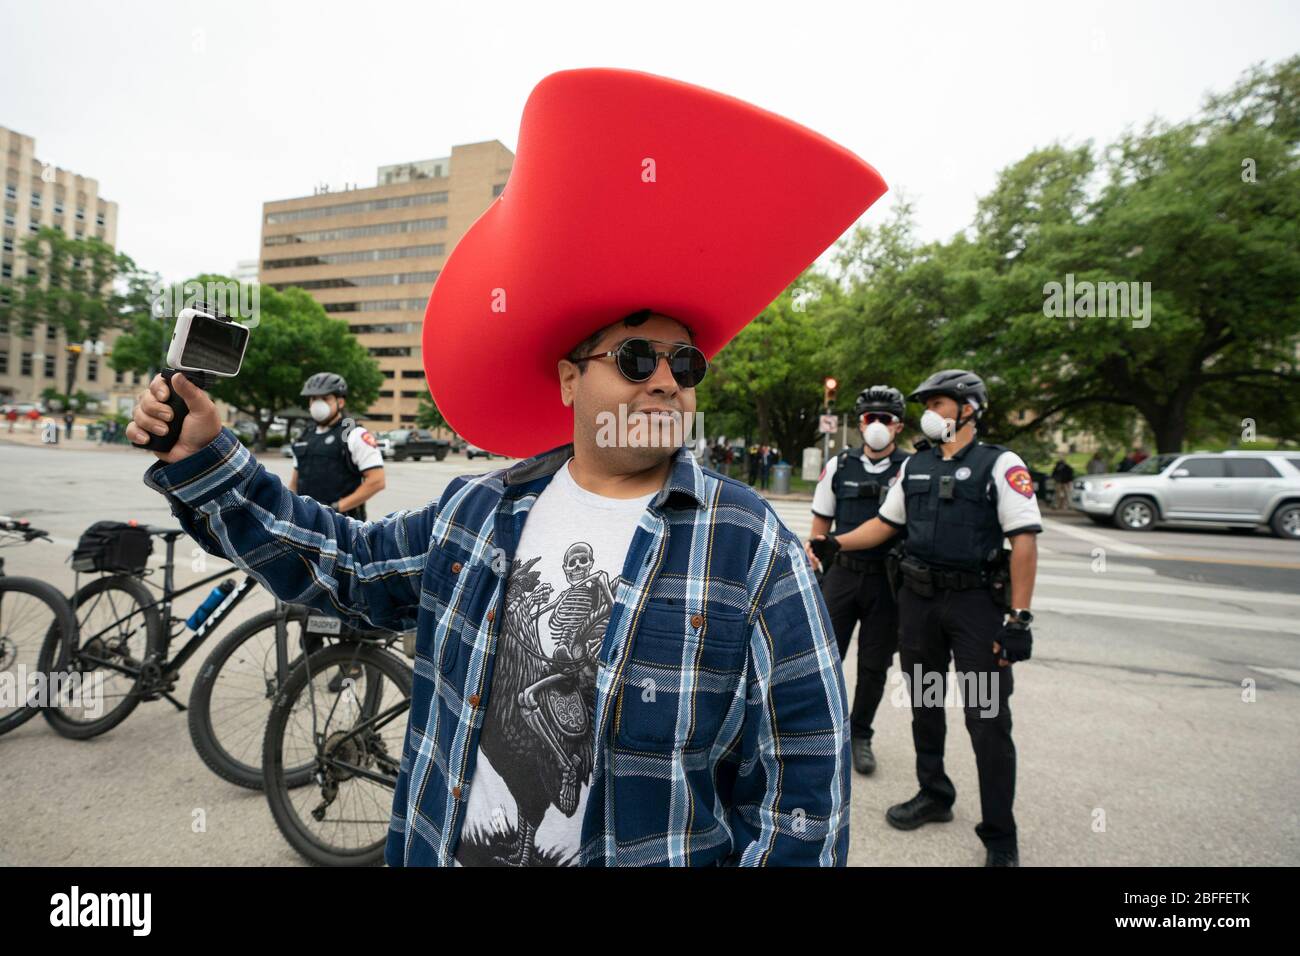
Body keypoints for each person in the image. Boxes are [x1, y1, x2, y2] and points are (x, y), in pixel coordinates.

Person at [128, 67, 888, 867]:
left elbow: (802, 798)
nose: (666, 379)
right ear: (571, 378)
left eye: (685, 363)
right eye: (635, 357)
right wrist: (207, 460)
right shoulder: (480, 511)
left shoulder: (751, 545)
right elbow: (345, 568)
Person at [810, 369, 1040, 867]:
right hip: (919, 605)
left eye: (940, 404)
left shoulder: (1000, 465)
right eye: (927, 406)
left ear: (970, 409)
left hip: (976, 608)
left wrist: (1018, 618)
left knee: (986, 720)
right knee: (927, 704)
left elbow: (1024, 540)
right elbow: (883, 525)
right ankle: (934, 793)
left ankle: (1000, 837)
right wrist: (831, 543)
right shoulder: (914, 467)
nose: (930, 414)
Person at [805, 385, 909, 775]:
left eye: (886, 419)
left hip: (887, 580)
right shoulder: (840, 465)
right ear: (860, 423)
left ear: (898, 427)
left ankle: (860, 734)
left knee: (873, 665)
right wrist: (817, 553)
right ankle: (816, 733)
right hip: (843, 575)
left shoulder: (910, 467)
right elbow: (820, 525)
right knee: (824, 659)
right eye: (870, 419)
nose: (877, 426)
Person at [288, 372, 385, 521]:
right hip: (306, 523)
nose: (317, 404)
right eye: (313, 399)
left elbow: (377, 481)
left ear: (340, 402)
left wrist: (336, 508)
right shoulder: (305, 435)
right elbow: (295, 482)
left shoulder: (353, 434)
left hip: (342, 524)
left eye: (325, 398)